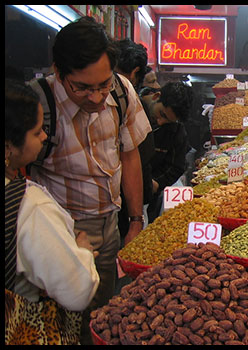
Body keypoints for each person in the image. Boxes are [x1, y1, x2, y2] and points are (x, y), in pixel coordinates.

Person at [27, 17, 151, 344]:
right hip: (57, 233)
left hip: (109, 225)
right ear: (58, 71)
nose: (96, 97)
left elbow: (129, 155)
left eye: (102, 85)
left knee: (102, 315)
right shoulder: (39, 104)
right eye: (82, 87)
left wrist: (135, 221)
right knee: (56, 322)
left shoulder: (122, 92)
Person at [5, 79, 99, 318]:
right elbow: (77, 291)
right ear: (8, 147)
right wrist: (82, 252)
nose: (45, 136)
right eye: (37, 132)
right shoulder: (28, 206)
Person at [114, 38, 156, 241]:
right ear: (135, 72)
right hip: (122, 201)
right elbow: (142, 153)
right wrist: (136, 218)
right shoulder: (127, 94)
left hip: (120, 203)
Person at [141, 82, 193, 223]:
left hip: (148, 192)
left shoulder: (176, 131)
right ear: (157, 96)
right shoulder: (133, 110)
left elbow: (176, 166)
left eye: (168, 120)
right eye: (161, 114)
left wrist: (156, 183)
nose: (161, 122)